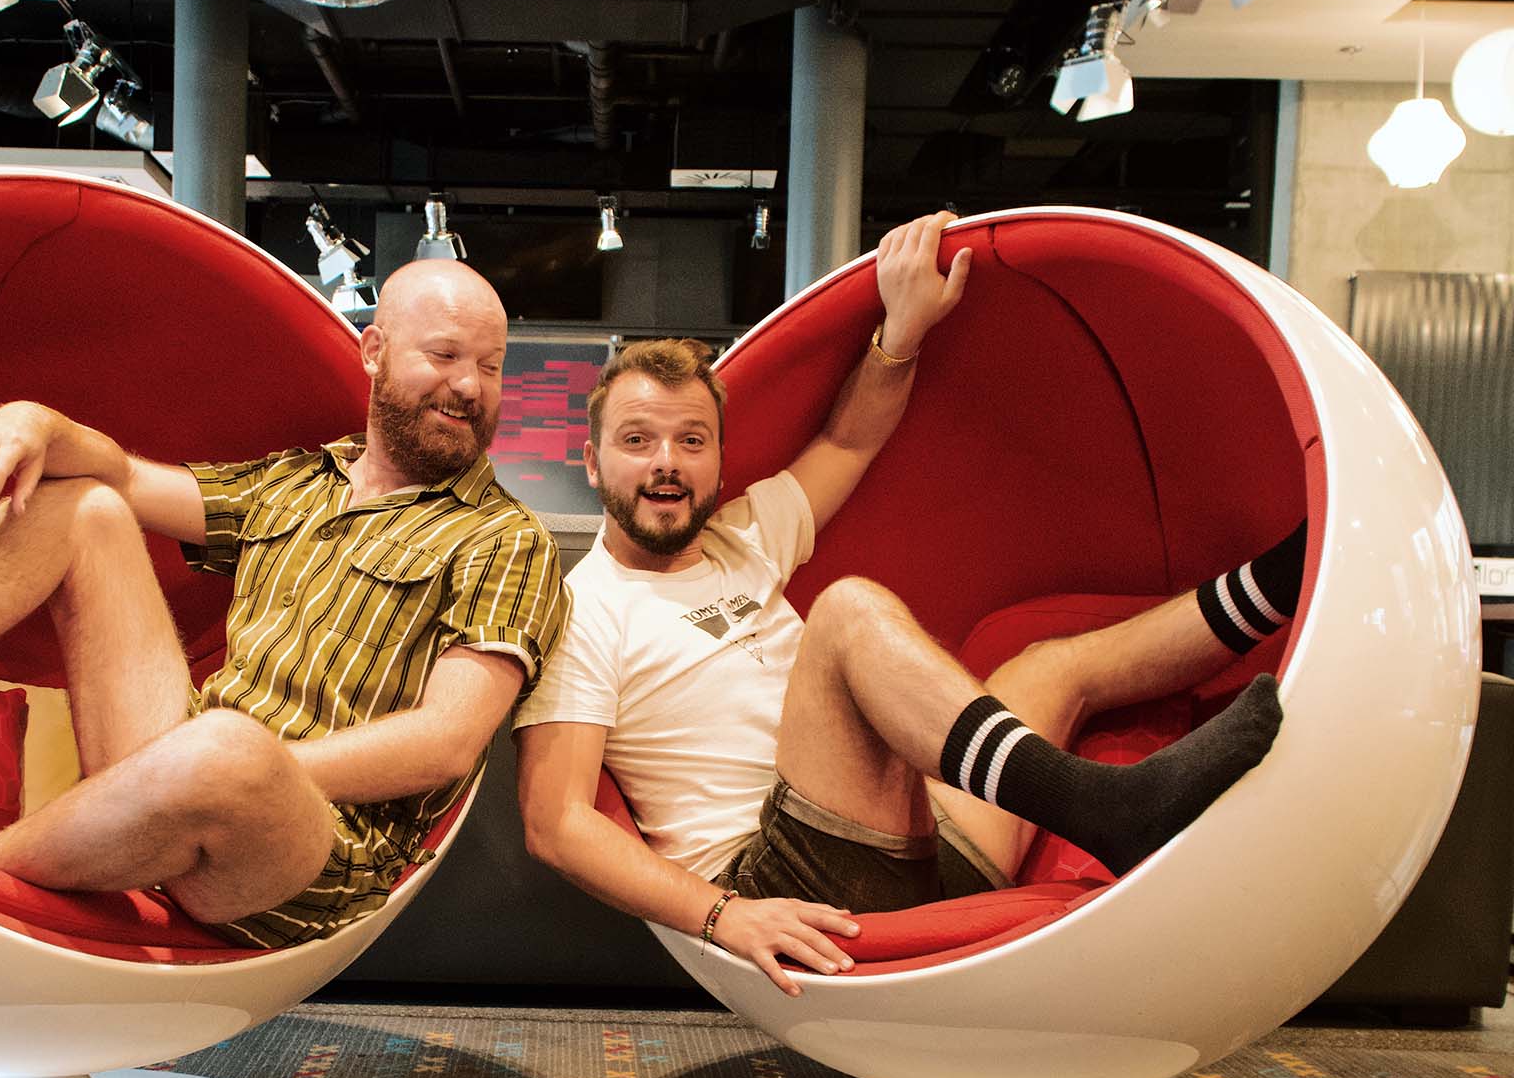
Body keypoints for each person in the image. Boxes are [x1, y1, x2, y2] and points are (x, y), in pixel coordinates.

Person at [513, 212, 1291, 996]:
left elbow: (848, 441)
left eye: (691, 440)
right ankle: (1102, 808)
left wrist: (903, 329)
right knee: (847, 611)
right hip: (785, 875)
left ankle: (1291, 578)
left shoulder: (742, 537)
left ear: (720, 455)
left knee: (1052, 667)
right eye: (638, 440)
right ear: (592, 460)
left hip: (914, 843)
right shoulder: (582, 610)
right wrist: (721, 915)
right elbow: (556, 822)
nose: (666, 465)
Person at [0, 259, 567, 949]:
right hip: (183, 769)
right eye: (444, 356)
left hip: (314, 853)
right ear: (375, 352)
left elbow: (446, 742)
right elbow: (119, 476)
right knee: (85, 505)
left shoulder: (501, 537)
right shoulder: (297, 483)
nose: (469, 388)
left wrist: (227, 765)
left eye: (490, 367)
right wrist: (39, 420)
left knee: (227, 749)